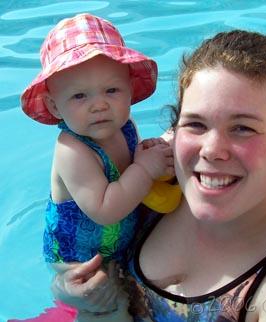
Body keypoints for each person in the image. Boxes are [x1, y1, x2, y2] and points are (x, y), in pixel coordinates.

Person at [49, 30, 266, 321]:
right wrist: (76, 292)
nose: (210, 150)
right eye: (196, 124)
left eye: (242, 128)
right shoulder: (159, 179)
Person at [20, 13, 181, 320]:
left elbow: (133, 173)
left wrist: (151, 155)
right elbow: (106, 208)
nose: (99, 105)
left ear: (130, 91)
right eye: (80, 96)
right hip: (79, 260)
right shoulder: (72, 150)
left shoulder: (126, 126)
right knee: (111, 307)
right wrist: (145, 170)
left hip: (119, 240)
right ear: (55, 106)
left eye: (111, 91)